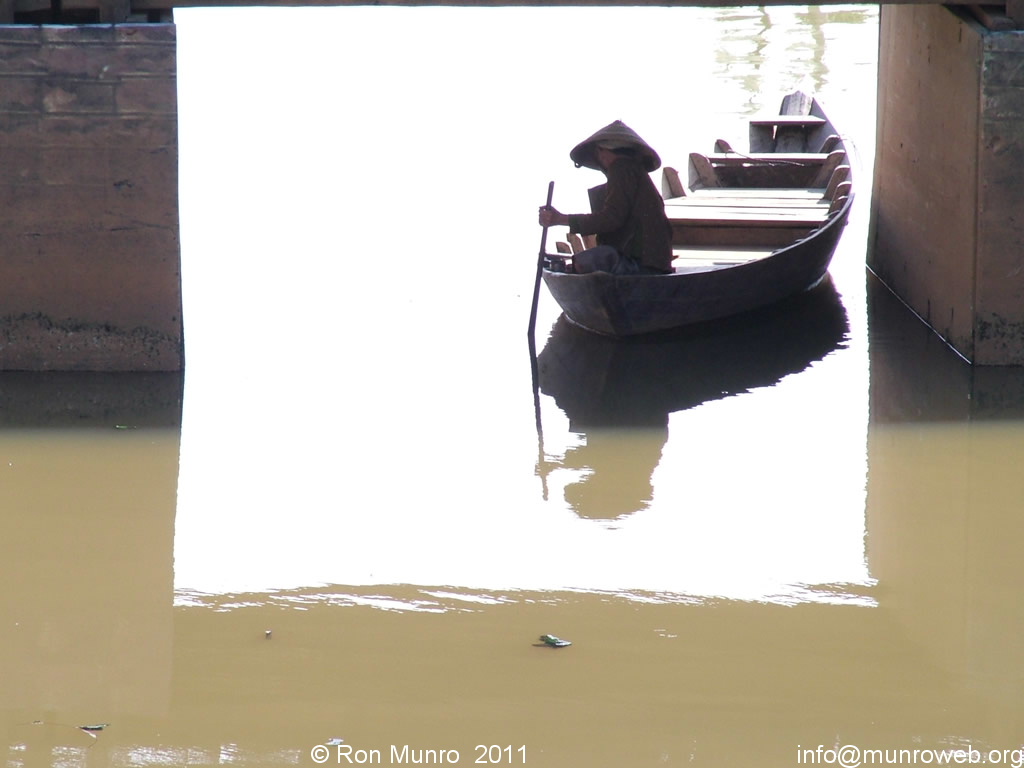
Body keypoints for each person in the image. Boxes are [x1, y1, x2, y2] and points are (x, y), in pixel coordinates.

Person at [538, 120, 673, 275]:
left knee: (588, 260)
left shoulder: (621, 168)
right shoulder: (632, 170)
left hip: (642, 264)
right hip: (652, 260)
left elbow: (611, 218)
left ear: (604, 152)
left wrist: (560, 219)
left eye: (598, 154)